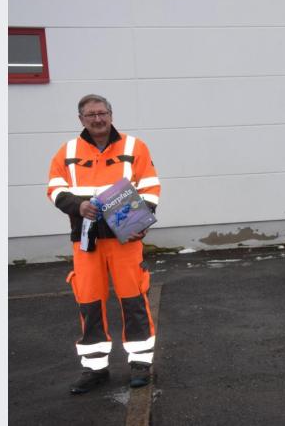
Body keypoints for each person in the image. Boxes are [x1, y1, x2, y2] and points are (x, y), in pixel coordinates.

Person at [47, 94, 161, 394]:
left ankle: (140, 364)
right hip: (86, 239)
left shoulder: (134, 146)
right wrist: (77, 205)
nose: (97, 119)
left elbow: (150, 186)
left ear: (110, 114)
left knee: (133, 299)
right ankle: (94, 369)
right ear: (81, 119)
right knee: (89, 301)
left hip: (125, 239)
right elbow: (54, 187)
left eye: (102, 113)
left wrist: (142, 221)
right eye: (90, 115)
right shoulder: (68, 150)